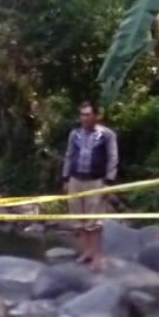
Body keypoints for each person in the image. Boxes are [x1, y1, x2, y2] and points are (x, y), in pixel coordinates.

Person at [61, 101, 118, 272]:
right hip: (75, 180)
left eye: (87, 114)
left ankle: (97, 256)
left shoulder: (106, 135)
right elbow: (69, 156)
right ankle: (87, 252)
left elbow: (113, 158)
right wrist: (65, 178)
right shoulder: (75, 135)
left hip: (95, 181)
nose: (84, 118)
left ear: (96, 116)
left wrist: (109, 181)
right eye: (82, 115)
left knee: (94, 220)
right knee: (77, 219)